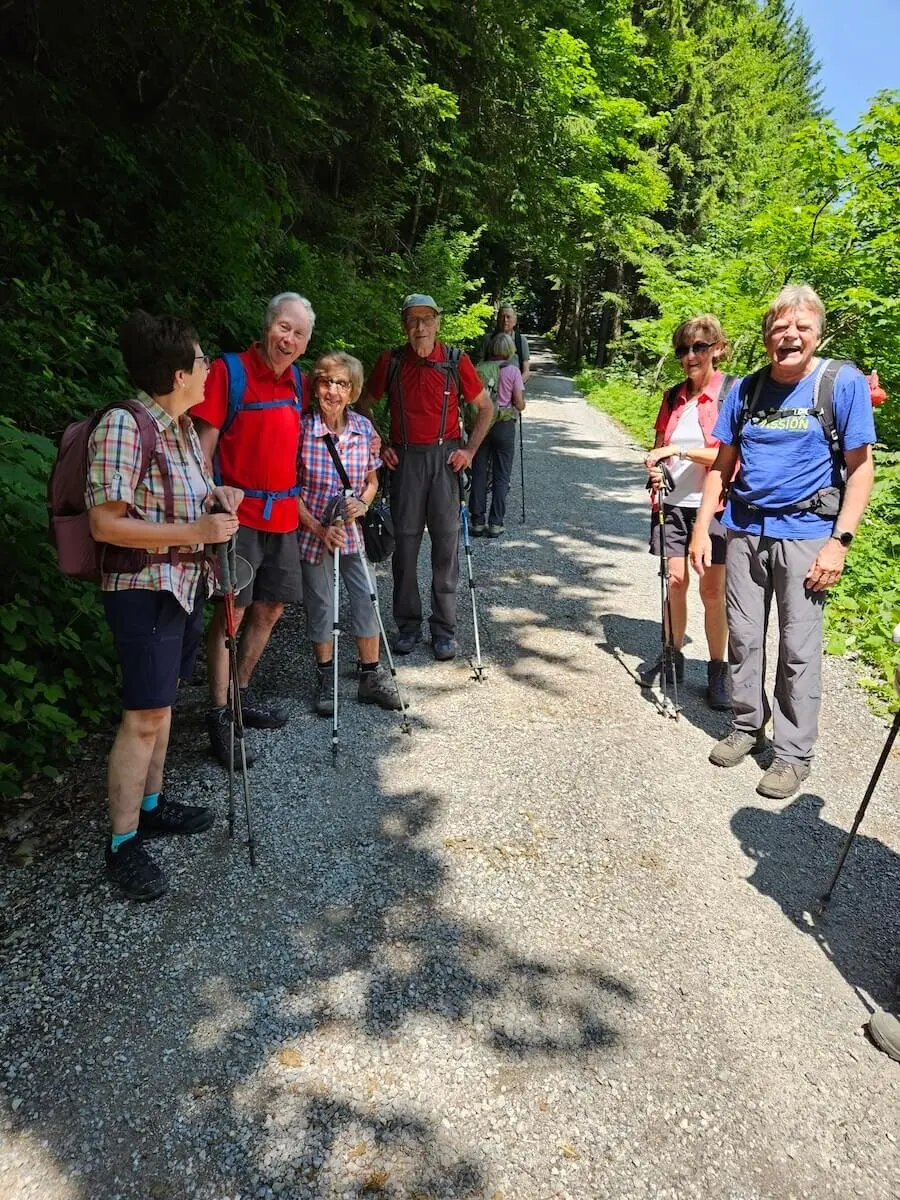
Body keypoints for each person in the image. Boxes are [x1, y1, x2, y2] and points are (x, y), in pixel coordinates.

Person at [690, 284, 876, 799]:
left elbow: (861, 471)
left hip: (808, 535)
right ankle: (748, 728)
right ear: (768, 335)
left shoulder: (840, 383)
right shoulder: (746, 390)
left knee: (798, 648)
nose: (789, 336)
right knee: (744, 638)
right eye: (779, 327)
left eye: (801, 327)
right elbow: (722, 467)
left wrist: (840, 542)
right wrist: (704, 527)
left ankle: (793, 754)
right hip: (746, 529)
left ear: (817, 333)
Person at [85, 311, 242, 901]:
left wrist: (219, 498)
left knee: (164, 706)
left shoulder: (178, 429)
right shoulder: (125, 426)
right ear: (180, 373)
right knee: (143, 714)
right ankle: (122, 842)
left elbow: (194, 501)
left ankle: (151, 805)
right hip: (142, 589)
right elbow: (107, 523)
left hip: (182, 586)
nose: (209, 369)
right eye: (202, 361)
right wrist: (194, 528)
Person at [192, 292, 313, 767]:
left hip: (282, 518)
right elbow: (202, 453)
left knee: (271, 609)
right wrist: (209, 505)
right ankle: (218, 716)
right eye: (285, 327)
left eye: (299, 333)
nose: (290, 339)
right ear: (268, 326)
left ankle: (240, 697)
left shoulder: (299, 381)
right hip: (238, 520)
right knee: (231, 615)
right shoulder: (229, 372)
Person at [358, 293, 493, 661]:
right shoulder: (391, 361)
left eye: (426, 320)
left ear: (437, 322)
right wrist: (379, 444)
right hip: (404, 461)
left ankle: (444, 630)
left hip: (444, 460)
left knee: (446, 548)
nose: (420, 327)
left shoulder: (454, 361)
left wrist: (469, 451)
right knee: (404, 546)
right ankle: (407, 626)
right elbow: (363, 406)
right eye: (413, 320)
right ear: (404, 324)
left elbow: (486, 408)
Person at [296, 352, 400, 714]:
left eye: (342, 384)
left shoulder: (364, 429)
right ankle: (326, 678)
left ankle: (370, 676)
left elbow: (372, 481)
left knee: (367, 597)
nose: (333, 391)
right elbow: (288, 491)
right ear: (316, 387)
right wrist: (319, 528)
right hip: (314, 534)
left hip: (354, 535)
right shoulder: (301, 430)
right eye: (326, 382)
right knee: (322, 605)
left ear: (353, 391)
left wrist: (364, 504)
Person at [639, 316, 734, 709]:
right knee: (674, 582)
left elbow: (730, 456)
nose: (690, 356)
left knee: (713, 592)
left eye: (699, 347)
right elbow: (659, 445)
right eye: (683, 349)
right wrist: (655, 467)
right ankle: (672, 656)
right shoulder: (672, 397)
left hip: (715, 508)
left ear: (717, 348)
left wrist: (678, 452)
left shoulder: (732, 393)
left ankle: (717, 671)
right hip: (673, 505)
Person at [470, 332, 525, 538]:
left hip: (481, 425)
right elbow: (519, 403)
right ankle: (495, 523)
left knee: (479, 472)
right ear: (510, 350)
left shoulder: (479, 369)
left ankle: (477, 521)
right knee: (502, 475)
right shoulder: (513, 371)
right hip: (503, 425)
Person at [479, 304, 531, 385]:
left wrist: (515, 386)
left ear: (515, 321)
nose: (505, 320)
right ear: (497, 320)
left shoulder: (521, 341)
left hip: (514, 389)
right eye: (502, 317)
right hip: (490, 389)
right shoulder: (488, 339)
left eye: (508, 317)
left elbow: (526, 371)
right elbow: (480, 365)